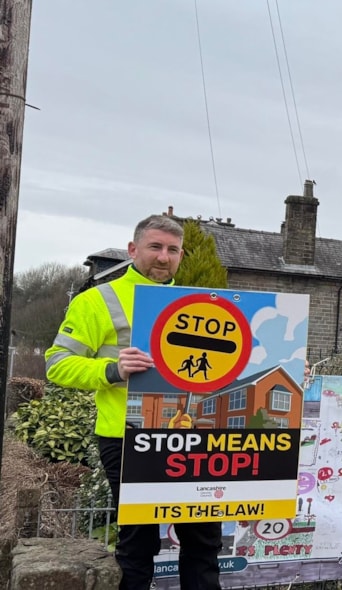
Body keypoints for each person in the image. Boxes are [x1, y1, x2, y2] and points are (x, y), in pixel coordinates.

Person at [45, 215, 224, 590]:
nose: (164, 257)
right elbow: (57, 365)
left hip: (193, 439)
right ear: (133, 250)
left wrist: (283, 364)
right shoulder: (97, 300)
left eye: (172, 250)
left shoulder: (200, 303)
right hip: (127, 438)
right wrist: (112, 369)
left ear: (181, 255)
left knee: (204, 539)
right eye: (155, 247)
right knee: (139, 542)